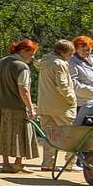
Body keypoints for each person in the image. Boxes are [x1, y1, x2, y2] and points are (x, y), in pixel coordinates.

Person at [0, 39, 41, 173]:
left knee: (4, 134)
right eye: (31, 53)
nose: (33, 56)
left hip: (1, 104)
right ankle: (18, 163)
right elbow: (24, 90)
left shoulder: (2, 62)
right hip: (17, 107)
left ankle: (5, 164)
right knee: (21, 134)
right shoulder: (21, 66)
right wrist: (30, 108)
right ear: (23, 51)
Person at [35, 39, 78, 171]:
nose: (71, 57)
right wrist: (72, 99)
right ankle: (70, 163)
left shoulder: (45, 61)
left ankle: (47, 163)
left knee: (50, 136)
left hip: (45, 106)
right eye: (70, 54)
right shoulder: (59, 63)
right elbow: (62, 85)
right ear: (62, 52)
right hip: (61, 107)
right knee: (71, 135)